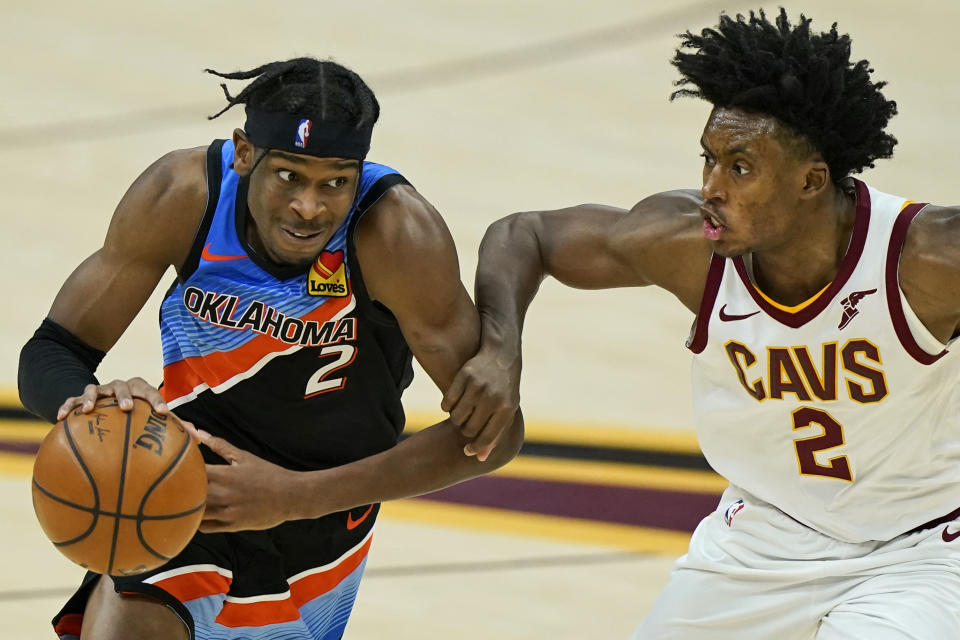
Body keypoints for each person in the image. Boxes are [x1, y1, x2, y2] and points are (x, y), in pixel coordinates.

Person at [442, 9, 960, 639]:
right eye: (708, 160)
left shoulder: (924, 259)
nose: (710, 187)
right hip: (763, 538)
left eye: (739, 168)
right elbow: (527, 235)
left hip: (923, 548)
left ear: (811, 180)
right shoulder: (688, 243)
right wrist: (501, 350)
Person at [18, 57, 523, 640]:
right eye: (289, 176)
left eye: (336, 181)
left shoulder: (396, 235)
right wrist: (92, 402)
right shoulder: (184, 196)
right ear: (244, 152)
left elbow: (493, 436)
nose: (311, 207)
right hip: (185, 498)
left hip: (327, 520)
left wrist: (296, 498)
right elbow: (51, 351)